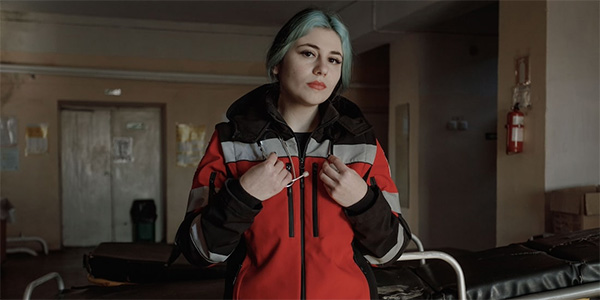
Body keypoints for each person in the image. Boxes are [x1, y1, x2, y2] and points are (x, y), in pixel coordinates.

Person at [176, 7, 411, 299]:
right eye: (308, 53)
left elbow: (391, 250)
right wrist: (243, 195)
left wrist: (362, 201)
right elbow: (200, 252)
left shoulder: (362, 145)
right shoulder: (231, 142)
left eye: (334, 60)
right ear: (278, 63)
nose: (322, 69)